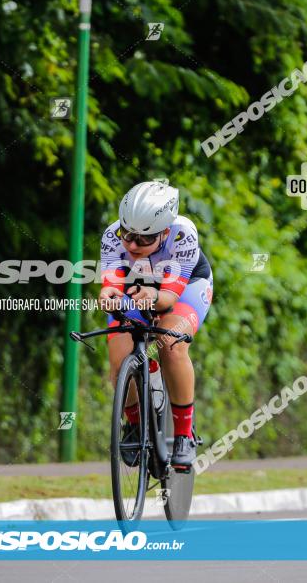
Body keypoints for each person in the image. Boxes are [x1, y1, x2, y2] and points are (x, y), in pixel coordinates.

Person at [98, 181, 213, 469]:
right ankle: (135, 424)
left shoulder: (183, 234)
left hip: (185, 287)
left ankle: (184, 434)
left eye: (144, 239)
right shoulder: (113, 236)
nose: (133, 244)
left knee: (171, 346)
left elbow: (168, 298)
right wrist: (109, 295)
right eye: (128, 235)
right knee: (118, 359)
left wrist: (154, 297)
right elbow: (113, 283)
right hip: (137, 288)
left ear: (164, 232)